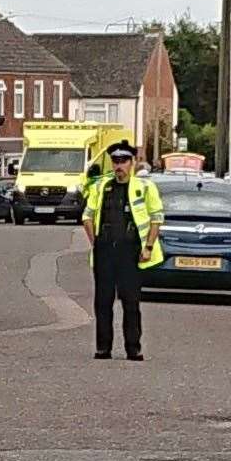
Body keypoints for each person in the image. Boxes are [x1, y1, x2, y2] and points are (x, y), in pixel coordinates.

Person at [81, 140, 164, 361]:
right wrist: (95, 242)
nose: (119, 165)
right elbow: (87, 217)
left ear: (132, 162)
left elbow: (156, 219)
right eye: (115, 161)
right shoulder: (101, 187)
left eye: (124, 161)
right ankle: (103, 348)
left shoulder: (145, 188)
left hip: (131, 251)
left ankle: (133, 348)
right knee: (103, 301)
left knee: (131, 301)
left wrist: (148, 247)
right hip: (105, 250)